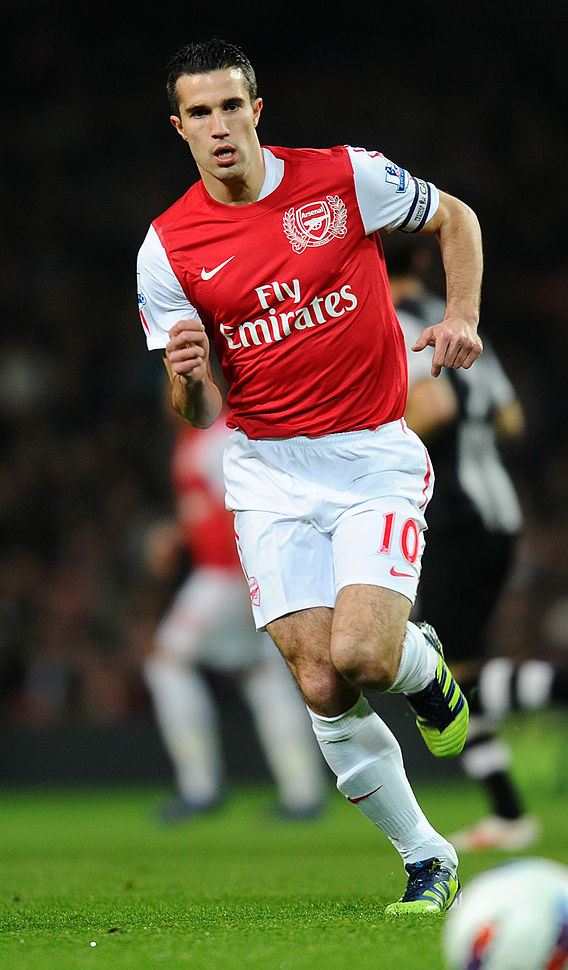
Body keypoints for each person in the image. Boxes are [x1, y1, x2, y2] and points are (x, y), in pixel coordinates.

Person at [136, 37, 483, 914]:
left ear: (256, 111)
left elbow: (456, 217)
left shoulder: (343, 179)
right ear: (180, 128)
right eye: (200, 113)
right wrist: (187, 376)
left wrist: (461, 315)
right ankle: (427, 857)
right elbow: (198, 413)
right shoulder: (167, 249)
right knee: (322, 683)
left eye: (231, 107)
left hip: (371, 454)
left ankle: (423, 667)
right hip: (267, 474)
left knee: (365, 656)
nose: (219, 126)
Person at [391, 244, 568, 852]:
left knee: (449, 677)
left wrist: (370, 432)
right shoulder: (455, 323)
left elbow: (433, 406)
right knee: (462, 671)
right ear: (424, 264)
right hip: (496, 505)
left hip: (453, 511)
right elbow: (510, 418)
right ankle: (508, 813)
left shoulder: (394, 322)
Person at [144, 408, 327, 824]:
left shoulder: (216, 436)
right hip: (242, 573)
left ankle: (200, 788)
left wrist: (250, 579)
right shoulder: (201, 435)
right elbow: (206, 506)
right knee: (262, 672)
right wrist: (179, 533)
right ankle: (302, 793)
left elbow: (242, 506)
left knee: (166, 663)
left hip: (226, 576)